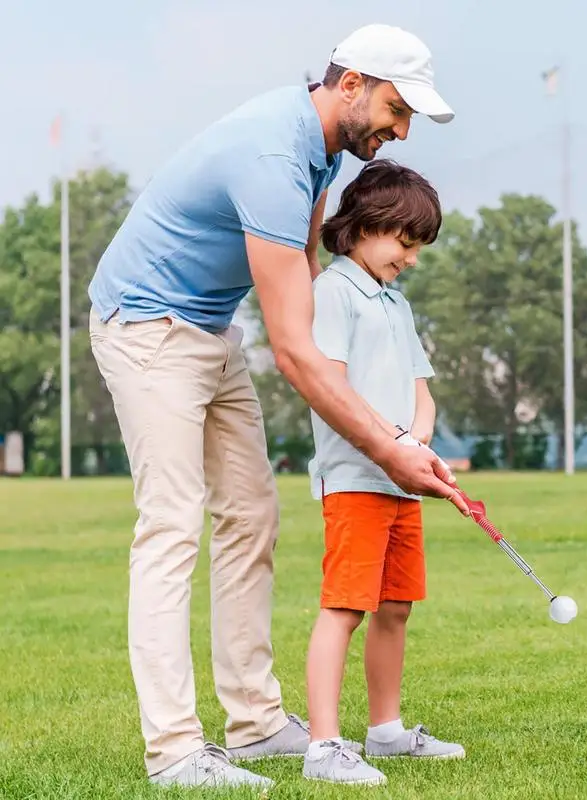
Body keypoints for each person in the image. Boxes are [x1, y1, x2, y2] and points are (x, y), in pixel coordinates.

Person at [87, 22, 468, 791]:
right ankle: (174, 751)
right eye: (398, 109)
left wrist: (337, 365)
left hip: (209, 328)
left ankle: (257, 724)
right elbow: (294, 350)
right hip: (146, 325)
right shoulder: (270, 152)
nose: (401, 131)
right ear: (351, 84)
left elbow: (298, 272)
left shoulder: (322, 148)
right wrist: (390, 448)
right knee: (171, 523)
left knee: (252, 513)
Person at [302, 160, 466, 787]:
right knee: (346, 607)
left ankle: (385, 731)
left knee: (395, 606)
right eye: (407, 242)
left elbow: (422, 387)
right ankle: (323, 746)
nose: (413, 258)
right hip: (353, 481)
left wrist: (417, 435)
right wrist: (391, 440)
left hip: (402, 482)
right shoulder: (333, 294)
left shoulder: (395, 303)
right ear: (367, 226)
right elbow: (332, 386)